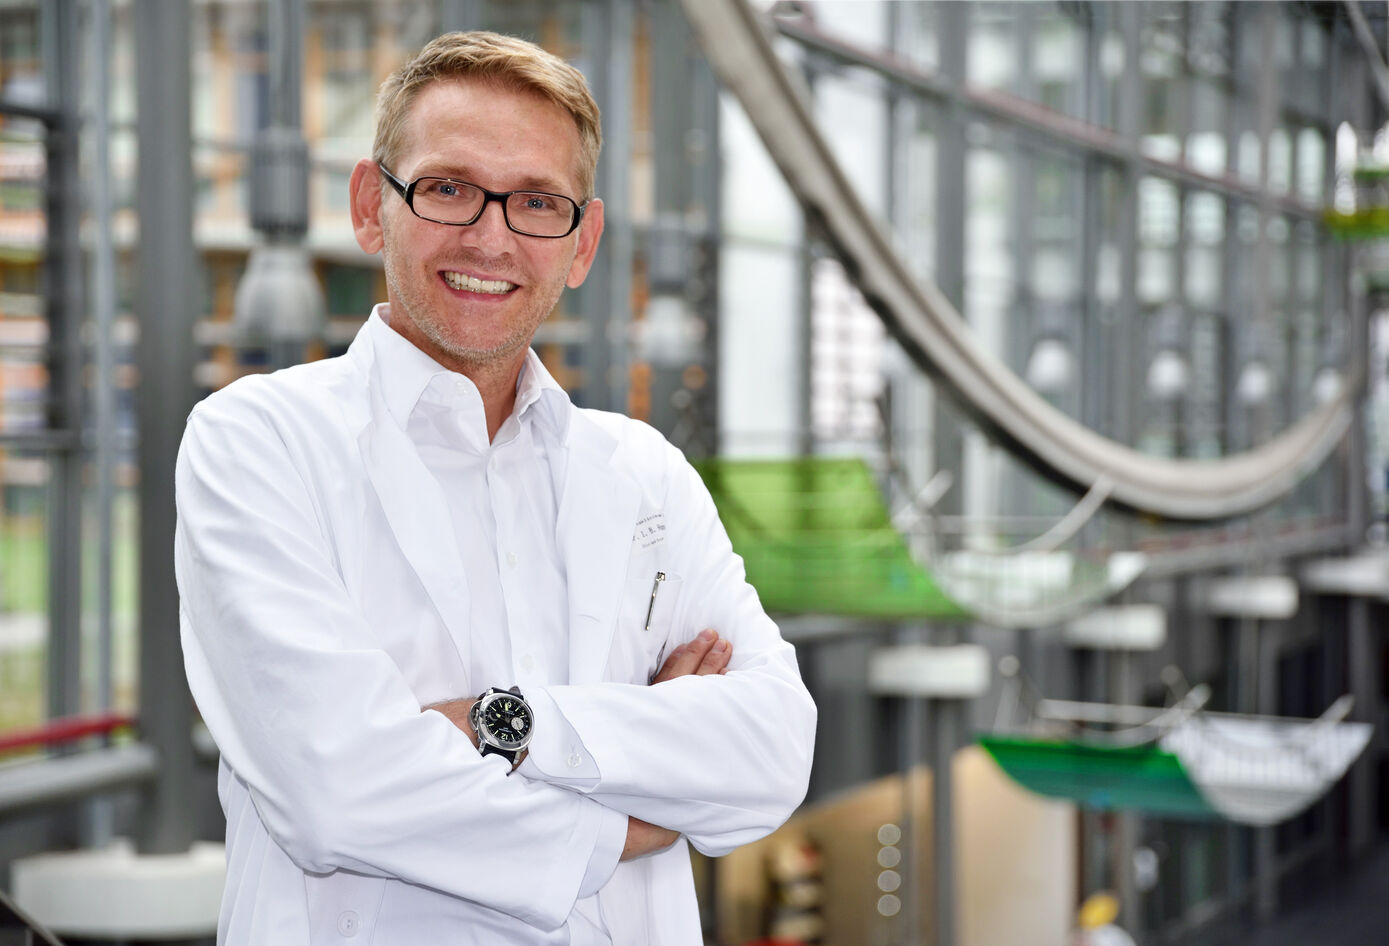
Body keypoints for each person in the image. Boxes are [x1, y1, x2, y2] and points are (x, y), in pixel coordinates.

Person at [175, 29, 817, 946]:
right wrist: (639, 815)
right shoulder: (259, 443)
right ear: (372, 205)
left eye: (535, 202)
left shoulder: (644, 473)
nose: (491, 234)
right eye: (447, 188)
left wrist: (492, 725)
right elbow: (339, 791)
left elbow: (771, 748)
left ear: (582, 242)